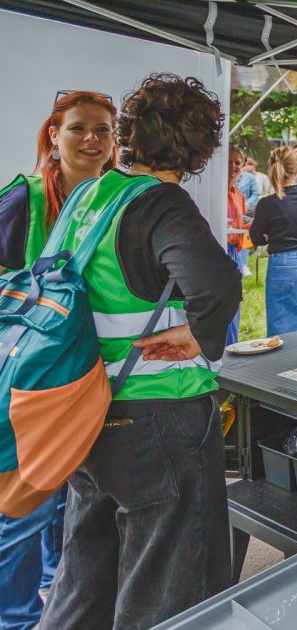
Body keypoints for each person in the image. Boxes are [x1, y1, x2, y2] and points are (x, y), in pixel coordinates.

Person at [42, 74, 240, 630]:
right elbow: (217, 284)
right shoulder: (162, 203)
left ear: (130, 134)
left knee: (86, 578)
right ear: (200, 146)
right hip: (158, 417)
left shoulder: (90, 194)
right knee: (165, 589)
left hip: (86, 410)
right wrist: (199, 336)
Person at [0, 90, 117, 630]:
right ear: (54, 134)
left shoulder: (115, 197)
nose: (92, 139)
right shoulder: (23, 198)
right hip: (28, 380)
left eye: (103, 130)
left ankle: (56, 596)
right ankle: (16, 620)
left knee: (71, 500)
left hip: (84, 376)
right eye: (78, 128)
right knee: (23, 507)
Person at [250, 147, 297, 335]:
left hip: (282, 261)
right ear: (296, 170)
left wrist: (270, 235)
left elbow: (256, 238)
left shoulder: (267, 203)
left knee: (280, 321)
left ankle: (284, 354)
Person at [225, 148, 251, 344]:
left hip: (235, 254)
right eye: (229, 162)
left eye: (237, 163)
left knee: (233, 305)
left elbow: (240, 226)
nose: (233, 167)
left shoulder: (238, 196)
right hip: (219, 252)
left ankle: (231, 347)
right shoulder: (216, 194)